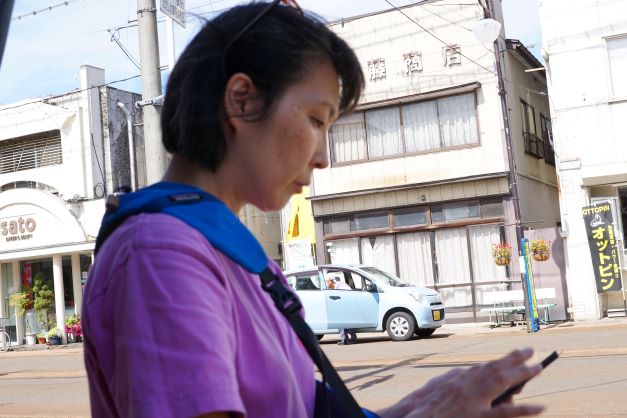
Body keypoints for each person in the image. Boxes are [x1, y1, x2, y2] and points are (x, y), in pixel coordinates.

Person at [82, 1, 545, 417]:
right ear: (241, 100)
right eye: (316, 120)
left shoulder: (234, 256)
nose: (323, 155)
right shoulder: (162, 255)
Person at [331, 278, 358, 345]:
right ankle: (349, 338)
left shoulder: (341, 286)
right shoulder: (337, 286)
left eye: (327, 282)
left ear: (331, 281)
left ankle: (347, 339)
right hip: (345, 307)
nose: (326, 284)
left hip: (348, 306)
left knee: (343, 321)